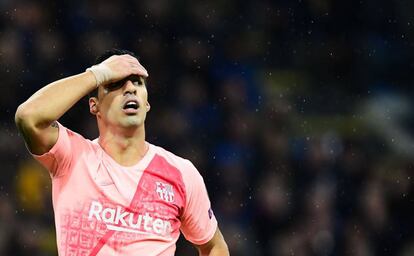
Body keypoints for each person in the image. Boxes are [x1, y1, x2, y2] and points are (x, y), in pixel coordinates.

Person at [15, 49, 229, 256]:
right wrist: (97, 74)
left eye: (137, 82)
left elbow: (213, 247)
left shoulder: (181, 173)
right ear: (94, 106)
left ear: (146, 103)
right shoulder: (72, 156)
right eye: (115, 83)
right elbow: (29, 118)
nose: (129, 88)